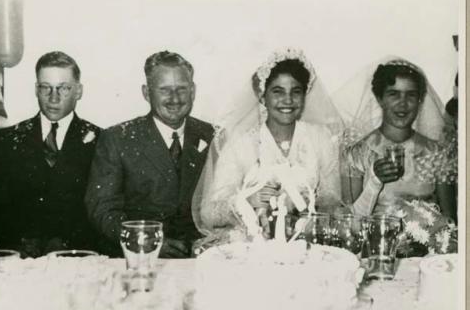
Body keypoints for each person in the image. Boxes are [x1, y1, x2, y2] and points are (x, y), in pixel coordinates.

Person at [192, 48, 343, 248]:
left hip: (305, 244)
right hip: (251, 245)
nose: (288, 100)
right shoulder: (241, 143)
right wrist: (246, 200)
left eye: (296, 91)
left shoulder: (320, 138)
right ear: (263, 97)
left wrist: (306, 203)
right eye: (278, 92)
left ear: (304, 95)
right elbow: (209, 213)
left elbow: (333, 201)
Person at [85, 51, 214, 258]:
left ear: (193, 91)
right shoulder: (118, 139)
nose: (174, 98)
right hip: (139, 258)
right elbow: (102, 210)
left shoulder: (213, 136)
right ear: (146, 93)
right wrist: (146, 241)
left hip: (199, 259)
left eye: (181, 89)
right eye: (164, 90)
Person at [0, 51, 101, 257]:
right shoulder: (6, 140)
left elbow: (101, 212)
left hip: (78, 259)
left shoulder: (101, 141)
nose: (53, 97)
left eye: (63, 88)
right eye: (45, 87)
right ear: (36, 90)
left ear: (78, 91)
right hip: (20, 261)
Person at [337, 57, 457, 221]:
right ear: (380, 99)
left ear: (420, 100)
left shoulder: (437, 153)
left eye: (411, 95)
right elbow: (349, 219)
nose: (403, 103)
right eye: (393, 94)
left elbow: (449, 218)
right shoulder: (356, 153)